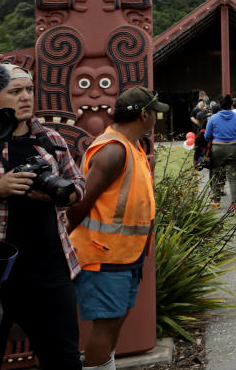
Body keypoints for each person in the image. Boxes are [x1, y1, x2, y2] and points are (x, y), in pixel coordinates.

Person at [0, 62, 85, 370]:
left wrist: (61, 193)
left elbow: (79, 184)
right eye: (15, 91)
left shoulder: (51, 140)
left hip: (51, 272)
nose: (26, 97)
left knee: (64, 359)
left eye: (29, 90)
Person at [67, 86, 163, 370]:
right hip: (103, 254)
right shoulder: (113, 150)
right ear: (144, 115)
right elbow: (80, 205)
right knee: (106, 325)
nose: (158, 118)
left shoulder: (128, 146)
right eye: (156, 112)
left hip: (123, 255)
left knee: (115, 320)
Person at [206, 94, 236, 211]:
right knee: (233, 178)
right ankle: (234, 204)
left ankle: (216, 202)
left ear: (220, 105)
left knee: (216, 175)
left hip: (218, 148)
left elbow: (207, 135)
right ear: (232, 106)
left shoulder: (213, 118)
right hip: (234, 148)